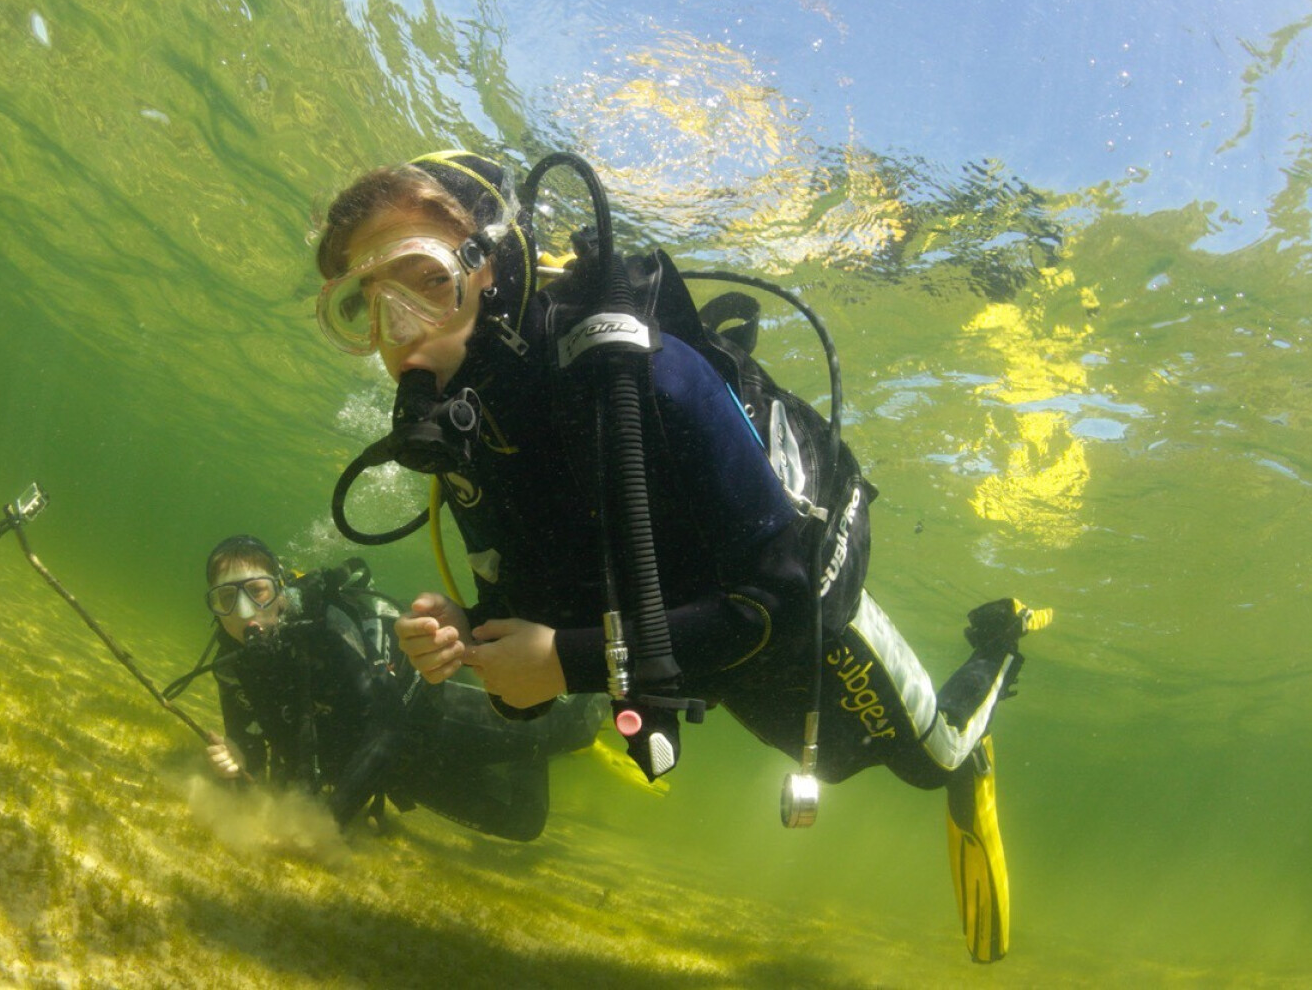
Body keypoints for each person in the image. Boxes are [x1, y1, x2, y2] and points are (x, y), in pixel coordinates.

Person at [311, 150, 1049, 960]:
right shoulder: (471, 433)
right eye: (364, 306)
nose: (398, 332)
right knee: (837, 766)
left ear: (493, 266)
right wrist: (468, 632)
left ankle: (997, 648)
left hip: (797, 625)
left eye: (425, 279)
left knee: (930, 760)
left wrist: (568, 661)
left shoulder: (645, 373)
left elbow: (779, 600)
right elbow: (531, 639)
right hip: (689, 651)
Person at [193, 534, 608, 842]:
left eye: (257, 591)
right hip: (399, 771)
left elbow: (388, 727)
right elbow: (253, 758)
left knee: (573, 728)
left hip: (430, 723)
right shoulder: (234, 665)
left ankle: (587, 691)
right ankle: (527, 759)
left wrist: (326, 823)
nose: (244, 613)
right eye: (225, 599)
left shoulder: (326, 629)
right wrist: (234, 761)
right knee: (524, 824)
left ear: (280, 588)